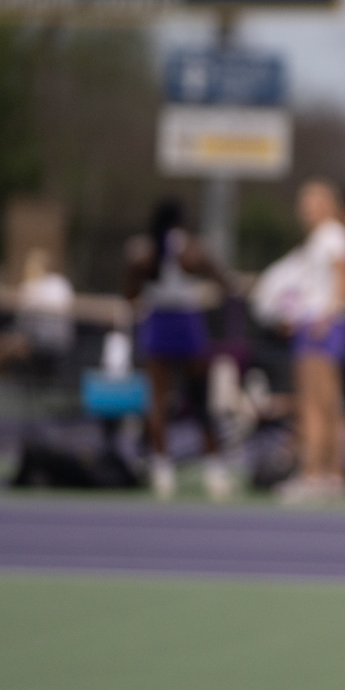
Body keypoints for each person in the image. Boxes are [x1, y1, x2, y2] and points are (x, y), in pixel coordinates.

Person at [123, 199, 230, 501]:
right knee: (198, 398)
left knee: (160, 399)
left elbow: (129, 294)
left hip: (161, 323)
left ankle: (162, 468)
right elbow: (225, 282)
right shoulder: (190, 251)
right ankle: (213, 469)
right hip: (184, 322)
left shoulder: (145, 254)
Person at [273, 179, 345, 505]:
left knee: (316, 405)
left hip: (322, 326)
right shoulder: (322, 238)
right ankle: (330, 475)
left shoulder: (332, 236)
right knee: (324, 404)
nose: (303, 208)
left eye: (310, 201)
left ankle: (314, 475)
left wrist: (326, 316)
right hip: (316, 322)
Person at [0, 247, 75, 379]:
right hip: (59, 343)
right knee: (3, 343)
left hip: (41, 343)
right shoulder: (61, 283)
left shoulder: (37, 286)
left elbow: (23, 322)